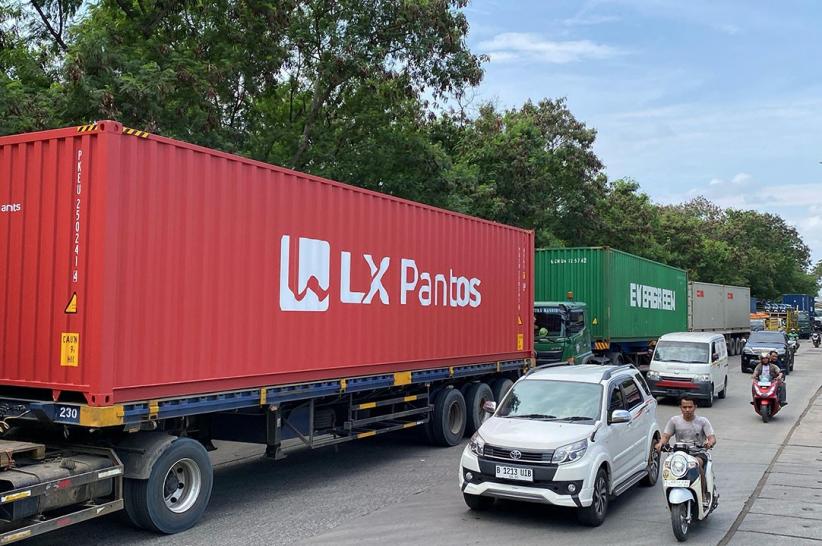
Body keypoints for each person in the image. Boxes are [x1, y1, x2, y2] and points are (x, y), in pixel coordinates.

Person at [655, 396, 716, 505]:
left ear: (695, 407)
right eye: (684, 407)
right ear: (680, 408)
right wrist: (660, 444)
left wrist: (709, 443)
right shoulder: (674, 421)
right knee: (669, 467)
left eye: (690, 407)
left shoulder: (702, 421)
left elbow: (712, 438)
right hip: (680, 455)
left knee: (697, 464)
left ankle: (703, 496)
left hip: (698, 453)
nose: (687, 410)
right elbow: (665, 436)